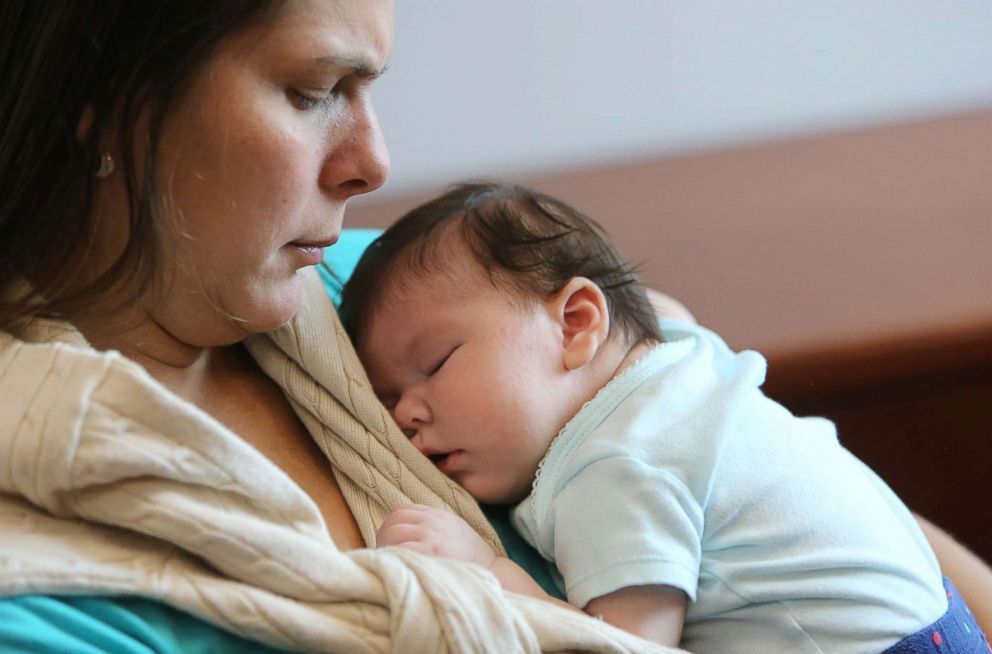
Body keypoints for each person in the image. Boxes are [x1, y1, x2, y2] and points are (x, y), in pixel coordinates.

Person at [0, 2, 989, 653]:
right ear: (109, 97)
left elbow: (833, 507)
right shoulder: (44, 589)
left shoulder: (393, 291)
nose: (372, 161)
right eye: (311, 92)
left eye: (371, 88)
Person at [339, 181, 990, 652]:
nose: (408, 415)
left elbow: (625, 650)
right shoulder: (681, 364)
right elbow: (659, 312)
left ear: (577, 323)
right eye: (389, 399)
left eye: (436, 362)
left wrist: (491, 573)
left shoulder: (616, 462)